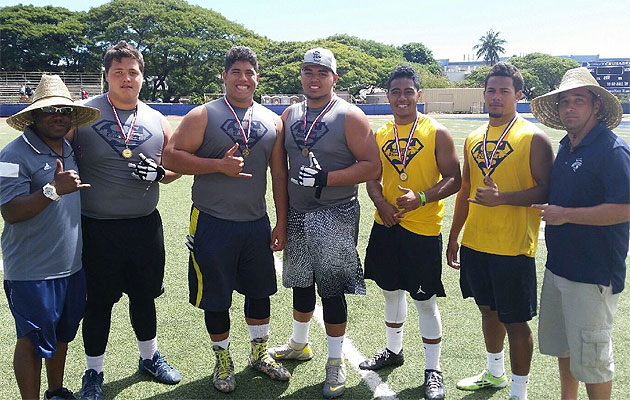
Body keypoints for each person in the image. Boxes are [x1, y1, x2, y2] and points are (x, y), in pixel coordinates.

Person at [162, 45, 290, 394]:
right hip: (212, 221)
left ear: (257, 78)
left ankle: (259, 353)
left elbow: (278, 175)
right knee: (216, 298)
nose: (243, 78)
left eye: (249, 72)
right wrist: (216, 165)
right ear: (225, 76)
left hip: (254, 222)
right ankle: (222, 359)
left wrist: (280, 222)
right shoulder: (203, 114)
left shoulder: (271, 120)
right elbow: (171, 157)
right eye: (236, 72)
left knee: (260, 292)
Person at [70, 40, 181, 400]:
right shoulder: (83, 115)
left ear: (142, 77)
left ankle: (148, 358)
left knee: (144, 297)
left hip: (144, 226)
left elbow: (176, 167)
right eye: (118, 72)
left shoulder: (157, 119)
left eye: (132, 72)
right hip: (96, 227)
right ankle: (93, 372)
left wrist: (161, 173)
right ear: (106, 76)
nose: (126, 78)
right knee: (97, 303)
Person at [269, 47, 381, 399]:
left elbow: (372, 166)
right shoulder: (290, 114)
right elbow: (282, 173)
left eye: (321, 72)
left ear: (334, 78)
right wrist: (282, 220)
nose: (314, 78)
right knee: (301, 283)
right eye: (308, 72)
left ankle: (335, 362)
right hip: (300, 213)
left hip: (335, 211)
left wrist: (325, 178)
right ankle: (299, 344)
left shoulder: (350, 115)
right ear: (301, 76)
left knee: (331, 290)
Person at [446, 62, 554, 400]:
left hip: (513, 247)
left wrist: (502, 199)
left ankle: (519, 392)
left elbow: (547, 191)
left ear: (518, 95)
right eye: (491, 90)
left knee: (516, 321)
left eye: (504, 91)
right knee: (487, 310)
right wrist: (454, 235)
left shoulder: (533, 137)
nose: (496, 96)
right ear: (484, 93)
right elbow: (465, 189)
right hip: (477, 242)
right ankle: (495, 373)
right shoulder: (475, 137)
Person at [361, 65, 461, 400]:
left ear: (418, 94)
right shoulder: (380, 134)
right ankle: (393, 350)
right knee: (390, 292)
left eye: (408, 91)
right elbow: (372, 178)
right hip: (387, 224)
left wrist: (421, 198)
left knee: (424, 300)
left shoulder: (436, 132)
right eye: (395, 92)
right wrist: (381, 204)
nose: (402, 98)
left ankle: (433, 370)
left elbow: (454, 179)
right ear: (388, 96)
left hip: (422, 228)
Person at [530, 67, 630, 400]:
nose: (569, 108)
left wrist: (566, 215)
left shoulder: (612, 151)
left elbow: (626, 208)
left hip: (593, 274)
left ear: (596, 106)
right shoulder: (568, 147)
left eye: (578, 100)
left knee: (594, 359)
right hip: (560, 268)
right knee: (567, 348)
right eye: (564, 102)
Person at [1, 75, 101, 400]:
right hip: (32, 271)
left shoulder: (69, 147)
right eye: (50, 110)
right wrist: (52, 190)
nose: (58, 115)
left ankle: (56, 392)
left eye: (64, 110)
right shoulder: (12, 155)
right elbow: (10, 212)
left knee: (61, 335)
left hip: (70, 267)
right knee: (31, 339)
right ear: (34, 116)